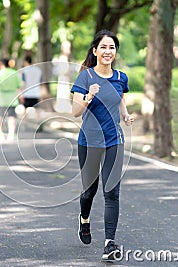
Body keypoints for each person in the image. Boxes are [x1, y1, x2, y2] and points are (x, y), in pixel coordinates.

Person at [70, 30, 135, 261]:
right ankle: (84, 219)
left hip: (114, 141)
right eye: (104, 47)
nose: (108, 51)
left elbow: (120, 99)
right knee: (89, 191)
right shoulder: (85, 78)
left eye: (112, 47)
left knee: (112, 192)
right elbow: (75, 112)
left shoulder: (121, 77)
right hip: (89, 142)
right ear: (95, 51)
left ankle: (109, 244)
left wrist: (125, 116)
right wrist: (88, 96)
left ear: (115, 52)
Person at [0, 58, 21, 141]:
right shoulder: (14, 73)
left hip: (1, 97)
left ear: (1, 64)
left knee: (1, 115)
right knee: (12, 115)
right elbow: (19, 86)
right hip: (12, 97)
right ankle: (12, 134)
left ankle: (0, 134)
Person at [20, 56, 42, 129]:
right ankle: (39, 122)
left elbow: (23, 83)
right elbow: (40, 82)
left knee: (25, 109)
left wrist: (21, 93)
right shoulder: (38, 70)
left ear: (26, 62)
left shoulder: (24, 71)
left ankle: (24, 124)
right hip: (36, 92)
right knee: (37, 109)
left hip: (27, 92)